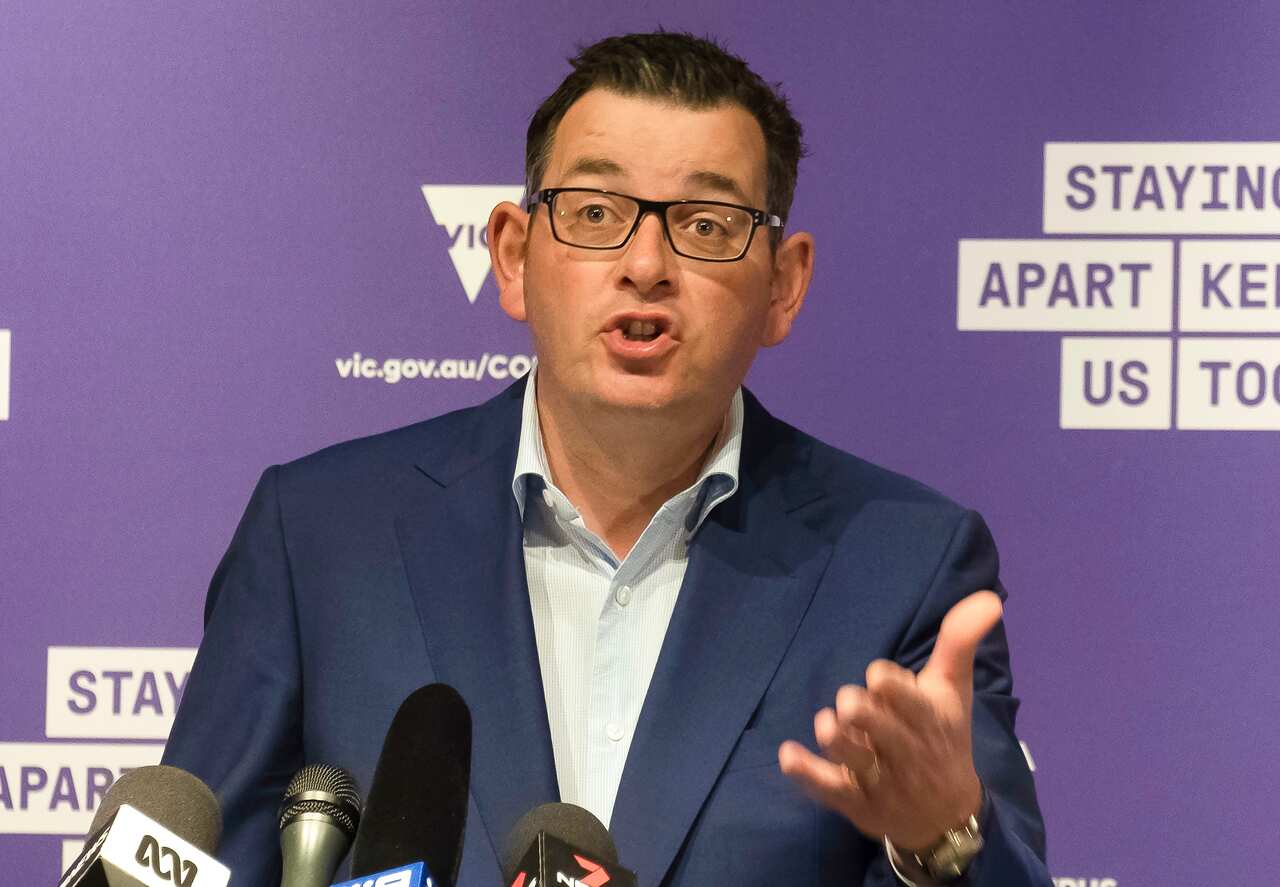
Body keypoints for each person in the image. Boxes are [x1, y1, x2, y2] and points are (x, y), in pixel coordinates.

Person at [164, 32, 1051, 886]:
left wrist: (939, 840)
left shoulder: (902, 564)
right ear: (514, 257)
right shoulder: (320, 536)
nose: (645, 264)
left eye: (707, 224)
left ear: (783, 286)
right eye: (596, 212)